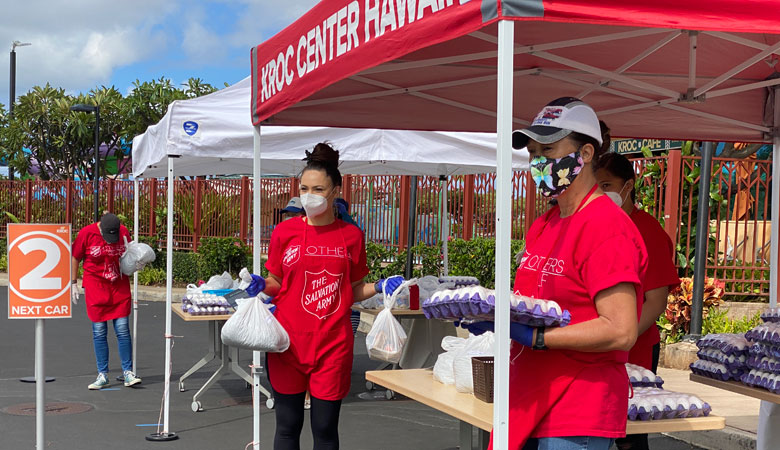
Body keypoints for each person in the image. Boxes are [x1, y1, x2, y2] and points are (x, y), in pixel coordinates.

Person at [470, 97, 648, 450]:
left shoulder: (608, 228)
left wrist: (538, 338)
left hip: (577, 404)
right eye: (534, 154)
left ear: (584, 153)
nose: (538, 163)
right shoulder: (545, 223)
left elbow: (620, 329)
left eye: (549, 151)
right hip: (529, 394)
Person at [258, 143, 404, 450]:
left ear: (335, 190)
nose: (309, 195)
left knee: (325, 429)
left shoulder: (351, 236)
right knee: (287, 425)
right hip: (287, 343)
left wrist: (379, 286)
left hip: (332, 345)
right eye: (304, 188)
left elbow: (353, 290)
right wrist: (261, 286)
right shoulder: (285, 232)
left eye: (318, 189)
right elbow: (276, 281)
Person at [594, 152, 680, 450]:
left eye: (607, 185)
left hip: (635, 345)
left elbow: (656, 302)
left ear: (628, 186)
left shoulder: (648, 231)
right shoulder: (596, 225)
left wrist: (620, 337)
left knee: (628, 433)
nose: (600, 192)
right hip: (596, 343)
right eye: (596, 185)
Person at [71, 213, 142, 390]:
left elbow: (128, 255)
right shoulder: (86, 234)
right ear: (100, 228)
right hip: (96, 287)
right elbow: (75, 257)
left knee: (122, 330)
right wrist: (73, 282)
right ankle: (102, 374)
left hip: (118, 286)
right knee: (99, 331)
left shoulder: (123, 232)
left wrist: (136, 263)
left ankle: (128, 372)